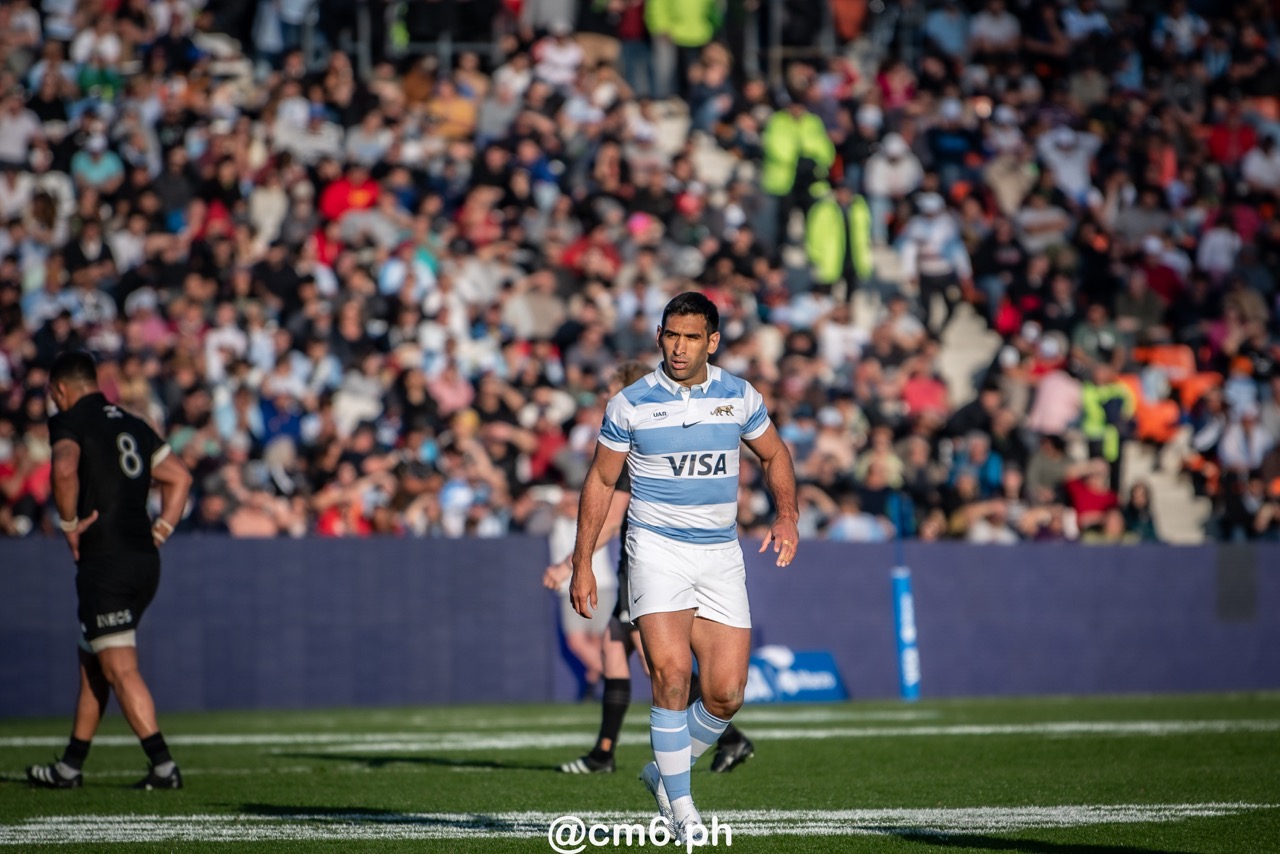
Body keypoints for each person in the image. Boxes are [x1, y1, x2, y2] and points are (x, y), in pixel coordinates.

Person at [568, 292, 799, 841]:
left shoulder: (739, 396)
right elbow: (600, 481)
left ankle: (662, 772)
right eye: (671, 334)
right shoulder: (630, 402)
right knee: (669, 675)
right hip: (655, 550)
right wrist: (582, 562)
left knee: (726, 694)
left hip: (720, 553)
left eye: (692, 336)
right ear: (659, 336)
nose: (679, 346)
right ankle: (683, 811)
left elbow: (774, 454)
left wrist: (786, 514)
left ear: (712, 342)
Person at [546, 360, 756, 776]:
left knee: (656, 664)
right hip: (638, 564)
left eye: (612, 386)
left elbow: (611, 516)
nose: (609, 395)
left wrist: (571, 563)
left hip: (648, 566)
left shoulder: (634, 440)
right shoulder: (626, 432)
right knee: (615, 653)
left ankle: (727, 736)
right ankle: (603, 753)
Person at [26, 351, 193, 790]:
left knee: (118, 666)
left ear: (61, 389)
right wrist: (159, 530)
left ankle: (162, 766)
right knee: (92, 661)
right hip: (145, 559)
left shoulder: (71, 420)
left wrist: (69, 527)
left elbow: (63, 469)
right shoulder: (134, 421)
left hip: (107, 559)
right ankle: (70, 767)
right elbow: (180, 478)